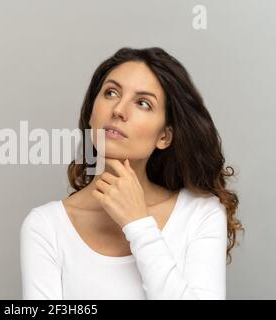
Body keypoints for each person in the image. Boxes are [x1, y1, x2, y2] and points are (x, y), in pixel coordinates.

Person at [20, 47, 243, 300]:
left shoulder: (200, 214)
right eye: (111, 92)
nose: (118, 110)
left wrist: (138, 225)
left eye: (143, 103)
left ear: (164, 136)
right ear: (91, 114)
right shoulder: (45, 227)